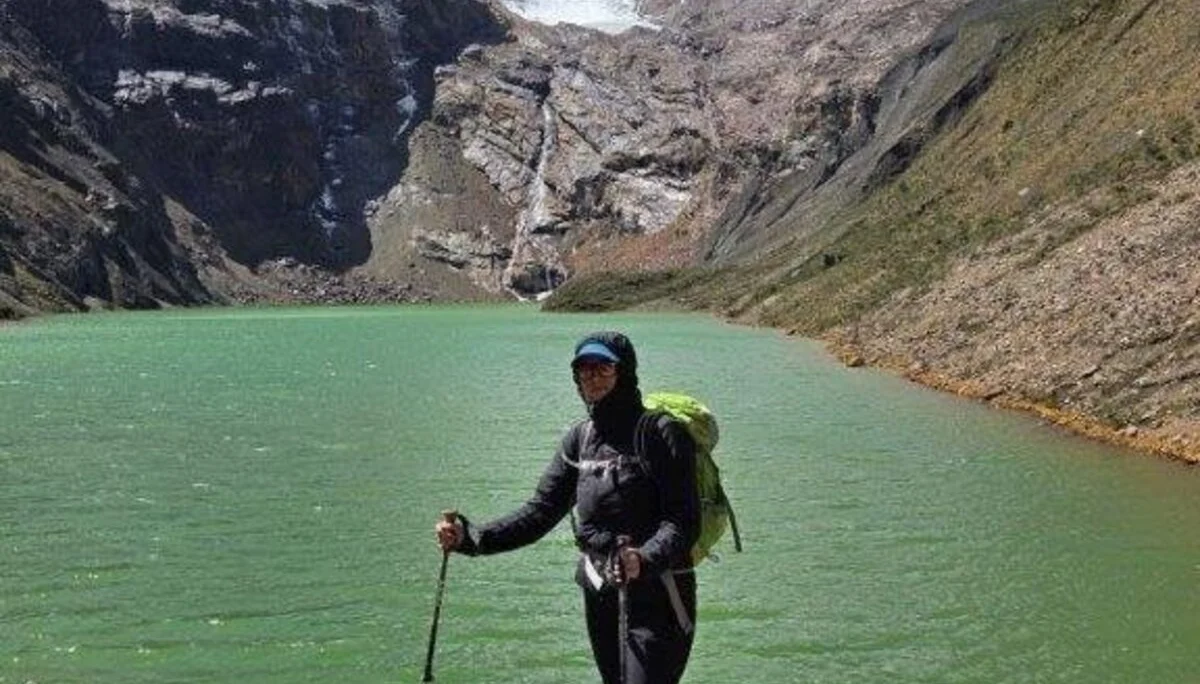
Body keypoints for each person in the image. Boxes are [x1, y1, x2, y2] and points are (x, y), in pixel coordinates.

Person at [434, 331, 701, 684]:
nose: (592, 377)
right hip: (601, 592)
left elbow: (683, 521)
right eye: (584, 369)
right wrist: (470, 537)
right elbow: (540, 512)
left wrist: (643, 558)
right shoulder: (581, 439)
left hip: (659, 596)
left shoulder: (660, 433)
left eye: (603, 368)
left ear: (624, 372)